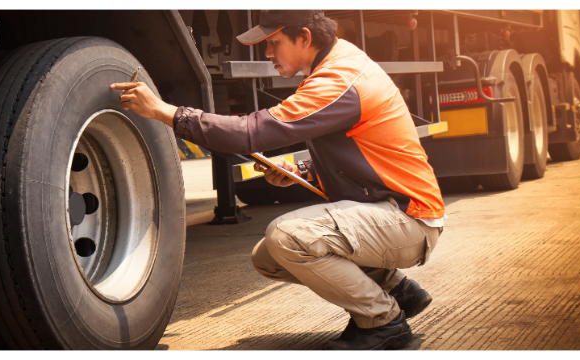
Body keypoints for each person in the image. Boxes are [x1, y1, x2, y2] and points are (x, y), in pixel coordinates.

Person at [110, 10, 445, 350]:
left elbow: (251, 132)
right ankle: (396, 288)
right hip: (389, 211)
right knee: (268, 255)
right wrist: (304, 171)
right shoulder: (335, 67)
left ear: (305, 37)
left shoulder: (339, 79)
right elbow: (363, 149)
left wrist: (166, 112)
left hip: (408, 217)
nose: (267, 54)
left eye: (274, 43)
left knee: (288, 236)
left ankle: (383, 323)